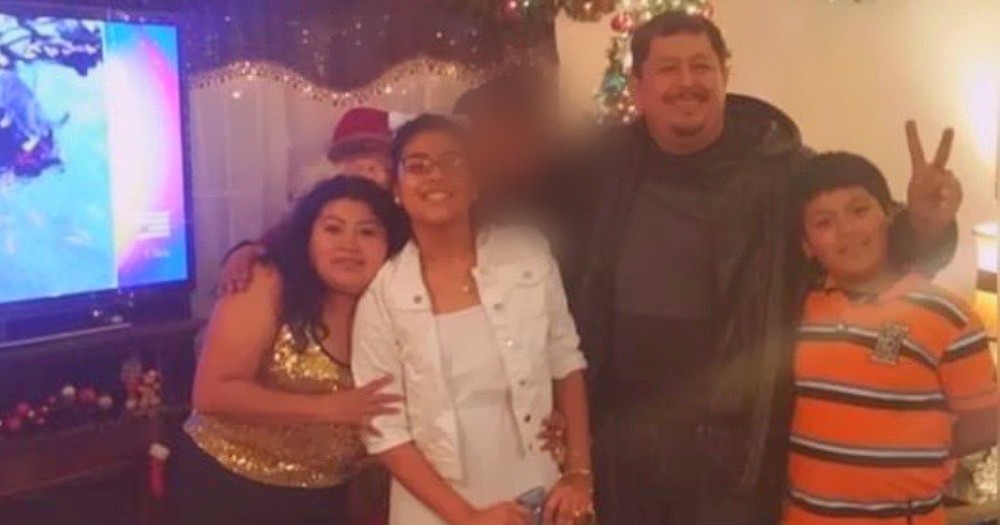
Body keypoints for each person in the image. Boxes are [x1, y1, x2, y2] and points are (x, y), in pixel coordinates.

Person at [566, 11, 962, 524]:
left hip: (734, 452)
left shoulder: (783, 168)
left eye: (701, 66)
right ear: (638, 87)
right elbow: (525, 242)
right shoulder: (599, 166)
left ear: (724, 75)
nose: (687, 81)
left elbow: (859, 246)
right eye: (667, 69)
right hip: (622, 443)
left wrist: (925, 226)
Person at [351, 114, 594, 525]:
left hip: (536, 484)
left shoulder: (526, 252)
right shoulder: (383, 295)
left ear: (475, 181)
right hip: (435, 502)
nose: (435, 175)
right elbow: (385, 430)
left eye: (451, 161)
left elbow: (565, 360)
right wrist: (467, 517)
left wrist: (579, 473)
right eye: (417, 165)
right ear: (396, 189)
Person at [169, 176, 408, 525]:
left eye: (368, 232)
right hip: (228, 488)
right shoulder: (266, 281)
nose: (349, 245)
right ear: (308, 238)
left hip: (326, 496)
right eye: (333, 229)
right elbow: (212, 393)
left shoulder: (398, 305)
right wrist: (331, 408)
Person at [786, 151, 997, 524]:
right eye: (824, 222)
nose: (847, 230)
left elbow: (984, 425)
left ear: (888, 214)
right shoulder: (797, 312)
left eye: (859, 211)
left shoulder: (949, 315)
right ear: (806, 245)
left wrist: (908, 447)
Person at [220, 106, 396, 295]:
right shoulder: (317, 210)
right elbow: (274, 242)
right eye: (358, 165)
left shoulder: (399, 214)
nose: (367, 174)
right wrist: (245, 252)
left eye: (375, 166)